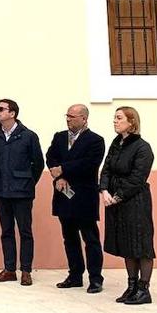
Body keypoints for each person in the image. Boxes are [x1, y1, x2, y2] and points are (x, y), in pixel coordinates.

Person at [45, 104, 107, 293]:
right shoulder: (59, 137)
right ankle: (75, 275)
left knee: (90, 238)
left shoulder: (96, 140)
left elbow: (89, 164)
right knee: (69, 237)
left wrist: (64, 169)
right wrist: (59, 176)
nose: (68, 119)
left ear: (84, 119)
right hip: (64, 192)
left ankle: (95, 278)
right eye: (67, 116)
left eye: (72, 116)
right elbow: (51, 157)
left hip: (84, 196)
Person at [101, 106, 157, 305]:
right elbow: (106, 168)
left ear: (131, 122)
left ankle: (144, 289)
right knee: (126, 244)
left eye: (119, 118)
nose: (115, 121)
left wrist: (118, 196)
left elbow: (138, 178)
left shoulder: (142, 147)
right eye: (114, 118)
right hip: (116, 201)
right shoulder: (116, 144)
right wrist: (104, 190)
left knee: (140, 245)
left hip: (135, 202)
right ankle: (131, 286)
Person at [0, 98, 43, 286]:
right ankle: (9, 269)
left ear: (12, 113)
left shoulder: (28, 136)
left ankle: (26, 270)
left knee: (25, 231)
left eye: (2, 109)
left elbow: (38, 163)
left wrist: (27, 182)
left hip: (22, 192)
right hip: (1, 191)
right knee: (6, 231)